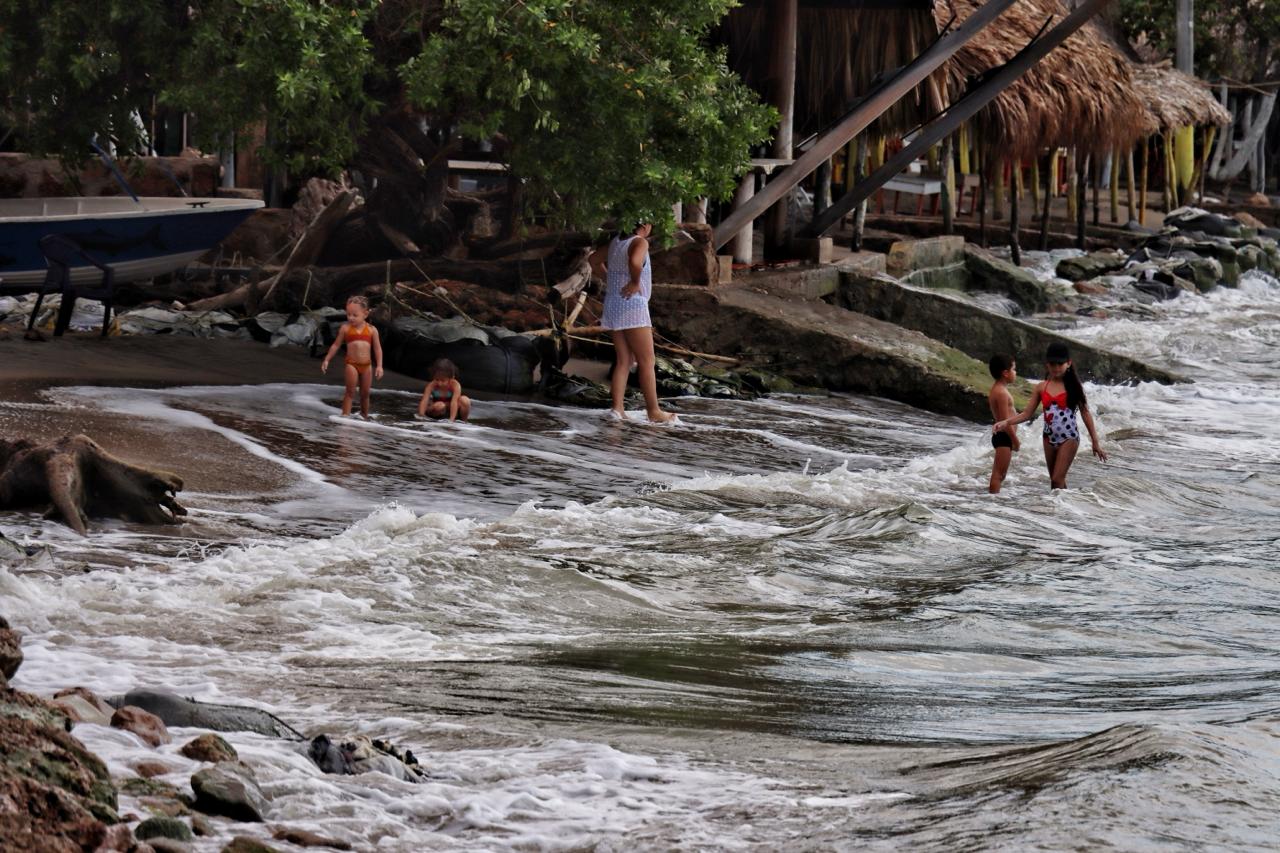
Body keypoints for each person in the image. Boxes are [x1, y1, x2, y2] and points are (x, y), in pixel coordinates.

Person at [587, 223, 676, 423]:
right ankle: (654, 411)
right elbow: (635, 262)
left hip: (613, 303)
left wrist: (611, 279)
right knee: (647, 361)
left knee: (624, 361)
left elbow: (593, 259)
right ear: (644, 224)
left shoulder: (616, 242)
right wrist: (635, 282)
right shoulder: (640, 242)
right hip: (632, 306)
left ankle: (617, 409)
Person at [993, 342, 1107, 489]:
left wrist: (1095, 442)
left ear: (1068, 364)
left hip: (1069, 438)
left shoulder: (1074, 386)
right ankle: (1064, 508)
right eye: (1053, 364)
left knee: (1057, 478)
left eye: (1060, 364)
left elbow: (1085, 413)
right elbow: (1027, 414)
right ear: (1047, 365)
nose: (1056, 368)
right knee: (1056, 483)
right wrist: (1006, 422)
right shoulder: (1041, 387)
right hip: (1048, 439)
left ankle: (1060, 507)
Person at [320, 296, 383, 418]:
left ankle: (364, 416)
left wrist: (379, 366)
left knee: (365, 393)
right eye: (348, 314)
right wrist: (327, 359)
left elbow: (377, 348)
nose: (350, 318)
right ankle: (345, 416)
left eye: (355, 315)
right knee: (350, 392)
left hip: (367, 366)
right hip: (352, 364)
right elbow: (336, 345)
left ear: (365, 314)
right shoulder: (346, 328)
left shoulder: (372, 330)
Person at [987, 353, 1021, 494]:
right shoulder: (1001, 393)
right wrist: (1016, 441)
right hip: (1004, 436)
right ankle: (992, 500)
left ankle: (993, 498)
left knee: (1000, 474)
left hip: (1003, 436)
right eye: (1013, 369)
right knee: (999, 475)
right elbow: (1004, 422)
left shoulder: (999, 389)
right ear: (1005, 373)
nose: (1015, 372)